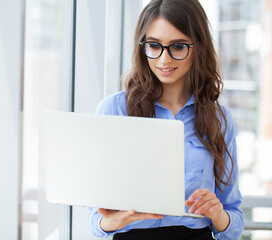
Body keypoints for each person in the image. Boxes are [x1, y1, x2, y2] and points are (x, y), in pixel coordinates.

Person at [88, 0, 244, 239]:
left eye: (178, 47)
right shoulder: (113, 110)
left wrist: (218, 215)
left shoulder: (219, 120)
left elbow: (233, 218)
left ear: (198, 47)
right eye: (154, 45)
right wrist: (111, 221)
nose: (163, 59)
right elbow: (95, 220)